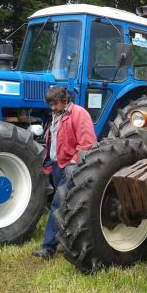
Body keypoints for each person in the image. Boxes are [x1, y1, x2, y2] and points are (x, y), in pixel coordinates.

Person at [32, 86, 96, 259]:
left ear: (64, 100)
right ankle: (67, 238)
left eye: (55, 104)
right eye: (50, 104)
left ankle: (48, 248)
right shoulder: (56, 115)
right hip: (56, 164)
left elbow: (87, 143)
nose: (52, 107)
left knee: (57, 204)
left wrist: (73, 162)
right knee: (66, 204)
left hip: (70, 166)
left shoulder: (79, 114)